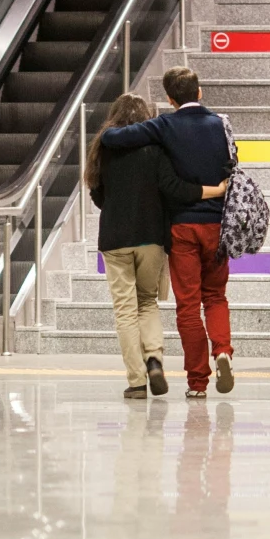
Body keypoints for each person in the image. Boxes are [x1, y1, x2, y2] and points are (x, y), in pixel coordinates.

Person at [98, 66, 237, 396]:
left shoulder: (164, 126)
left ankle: (197, 383)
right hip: (216, 225)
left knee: (187, 306)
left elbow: (111, 138)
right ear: (199, 91)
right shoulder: (222, 124)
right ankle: (222, 351)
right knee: (215, 296)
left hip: (182, 227)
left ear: (170, 99)